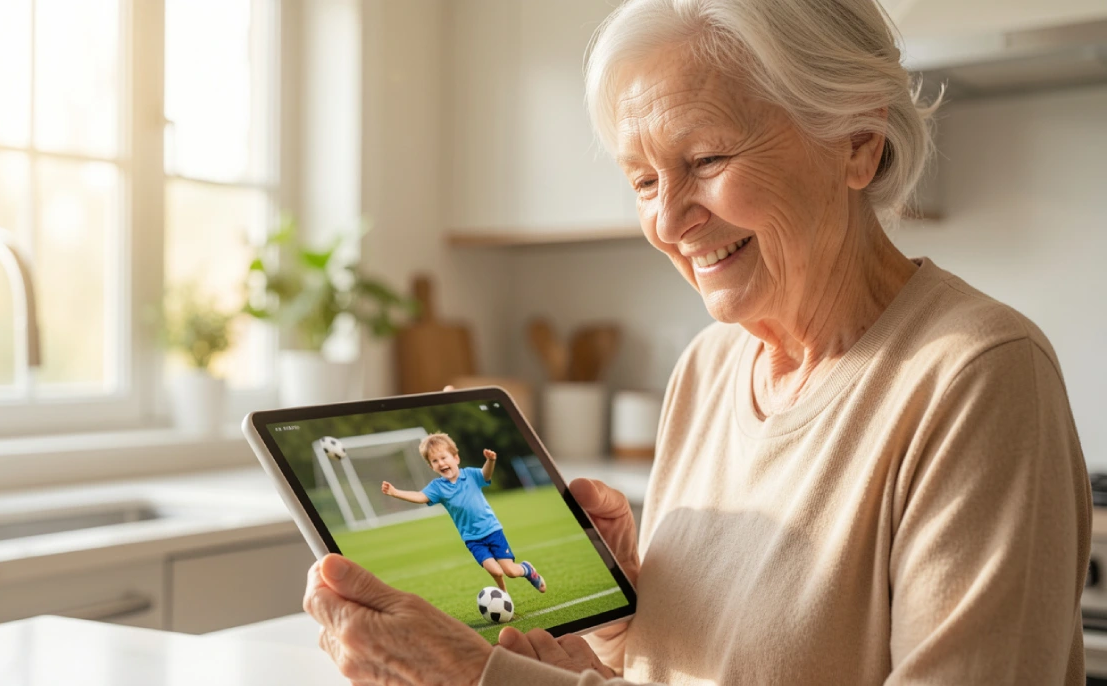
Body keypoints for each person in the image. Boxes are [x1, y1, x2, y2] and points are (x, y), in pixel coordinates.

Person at [303, 0, 1091, 683]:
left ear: (856, 139)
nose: (670, 221)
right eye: (644, 181)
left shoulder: (977, 377)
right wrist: (617, 632)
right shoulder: (709, 371)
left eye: (706, 159)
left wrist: (484, 681)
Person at [381, 432, 547, 593]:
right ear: (431, 466)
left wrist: (490, 460)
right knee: (496, 571)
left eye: (444, 457)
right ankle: (503, 593)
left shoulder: (471, 475)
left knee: (510, 571)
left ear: (456, 458)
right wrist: (396, 492)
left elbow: (486, 474)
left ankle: (527, 569)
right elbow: (420, 496)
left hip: (492, 530)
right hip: (473, 539)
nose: (441, 463)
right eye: (435, 460)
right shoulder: (437, 487)